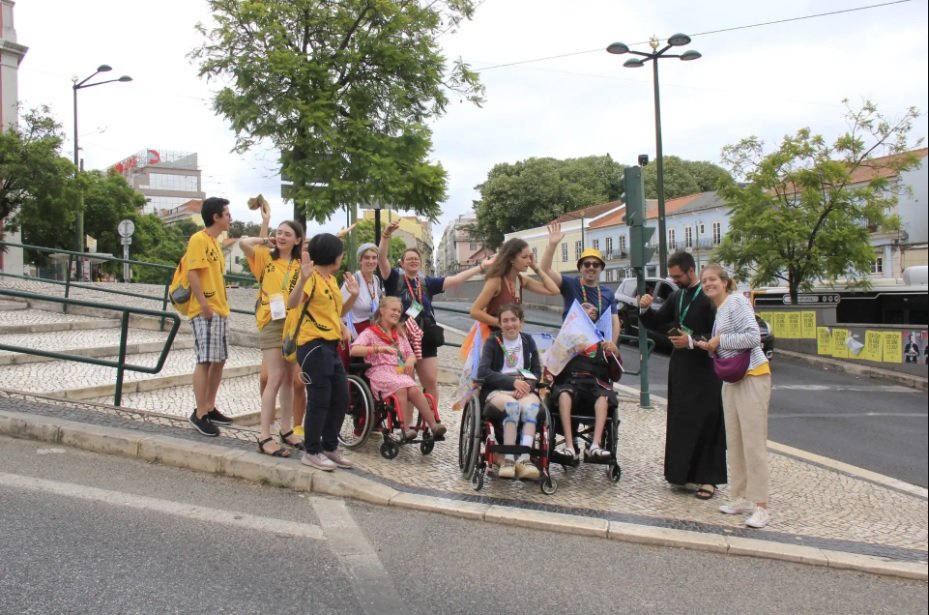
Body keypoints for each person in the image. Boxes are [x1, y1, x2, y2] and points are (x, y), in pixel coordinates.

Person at [639, 251, 726, 499]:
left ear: (691, 271)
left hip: (706, 369)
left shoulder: (710, 299)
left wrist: (692, 340)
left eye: (678, 276)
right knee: (681, 420)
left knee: (708, 421)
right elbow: (657, 323)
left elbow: (719, 335)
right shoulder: (677, 296)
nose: (674, 281)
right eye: (672, 276)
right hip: (681, 368)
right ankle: (682, 473)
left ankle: (709, 480)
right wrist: (644, 310)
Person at [378, 219, 492, 408]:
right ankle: (407, 426)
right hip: (401, 338)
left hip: (426, 337)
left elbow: (455, 279)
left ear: (421, 263)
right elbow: (382, 258)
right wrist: (386, 235)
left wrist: (480, 267)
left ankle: (431, 422)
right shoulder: (393, 280)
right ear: (402, 263)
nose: (413, 261)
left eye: (416, 259)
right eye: (409, 259)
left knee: (430, 382)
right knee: (405, 384)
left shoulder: (427, 283)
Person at [696, 264, 773, 528]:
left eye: (713, 279)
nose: (708, 284)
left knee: (753, 441)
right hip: (731, 379)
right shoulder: (719, 311)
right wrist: (710, 346)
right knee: (736, 440)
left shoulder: (737, 302)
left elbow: (754, 337)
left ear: (726, 282)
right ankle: (740, 497)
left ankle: (761, 505)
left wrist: (720, 341)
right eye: (705, 280)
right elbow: (727, 344)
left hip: (752, 375)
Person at [289, 233, 354, 471]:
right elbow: (292, 303)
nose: (341, 256)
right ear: (332, 255)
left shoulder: (330, 279)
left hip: (330, 344)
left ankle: (329, 446)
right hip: (313, 344)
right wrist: (302, 279)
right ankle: (312, 450)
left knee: (341, 397)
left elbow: (335, 313)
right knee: (320, 398)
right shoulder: (311, 277)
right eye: (340, 252)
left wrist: (353, 296)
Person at [241, 220, 305, 457]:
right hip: (271, 321)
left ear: (298, 240)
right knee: (275, 377)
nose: (282, 237)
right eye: (279, 233)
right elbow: (242, 243)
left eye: (288, 234)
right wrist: (264, 239)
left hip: (293, 323)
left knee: (289, 378)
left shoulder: (300, 265)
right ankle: (264, 435)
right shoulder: (266, 258)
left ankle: (286, 430)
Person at [350, 296, 446, 440]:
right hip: (379, 372)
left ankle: (434, 425)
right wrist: (379, 349)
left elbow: (411, 354)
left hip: (398, 372)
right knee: (401, 388)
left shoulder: (400, 334)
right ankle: (405, 429)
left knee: (414, 389)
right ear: (382, 311)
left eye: (399, 311)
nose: (397, 313)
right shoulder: (370, 332)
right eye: (393, 310)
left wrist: (409, 361)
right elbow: (354, 350)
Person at [186, 197, 235, 437]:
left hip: (220, 309)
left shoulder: (215, 243)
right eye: (226, 214)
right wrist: (204, 305)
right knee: (205, 359)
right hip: (206, 310)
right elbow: (193, 273)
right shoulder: (198, 240)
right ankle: (200, 413)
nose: (230, 218)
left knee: (219, 359)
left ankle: (210, 405)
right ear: (216, 217)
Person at [476, 304, 543, 480]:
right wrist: (512, 382)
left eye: (513, 320)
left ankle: (524, 458)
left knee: (532, 409)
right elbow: (483, 372)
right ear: (499, 324)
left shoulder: (528, 341)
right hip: (499, 389)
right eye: (505, 321)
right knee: (512, 406)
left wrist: (527, 385)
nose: (510, 324)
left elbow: (536, 371)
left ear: (521, 322)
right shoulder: (493, 341)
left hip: (524, 389)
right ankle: (507, 459)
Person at [540, 221, 621, 355]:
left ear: (601, 269)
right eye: (587, 264)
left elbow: (615, 322)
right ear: (580, 268)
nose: (591, 267)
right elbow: (545, 270)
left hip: (597, 352)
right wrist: (552, 245)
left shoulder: (607, 293)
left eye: (595, 265)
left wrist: (612, 344)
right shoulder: (570, 284)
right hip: (570, 350)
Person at [551, 302, 618, 462]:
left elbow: (615, 375)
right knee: (563, 395)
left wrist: (614, 353)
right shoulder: (567, 339)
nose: (593, 309)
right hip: (572, 382)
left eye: (594, 309)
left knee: (603, 397)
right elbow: (553, 367)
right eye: (587, 307)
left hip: (595, 384)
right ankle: (569, 446)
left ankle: (595, 445)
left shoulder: (603, 343)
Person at [469, 237, 559, 328]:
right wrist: (503, 323)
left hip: (512, 338)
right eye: (524, 257)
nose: (529, 261)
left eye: (530, 257)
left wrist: (536, 268)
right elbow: (474, 311)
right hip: (495, 338)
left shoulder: (521, 280)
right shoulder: (496, 281)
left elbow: (554, 291)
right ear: (511, 259)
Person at [342, 242, 383, 340]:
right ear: (360, 260)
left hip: (371, 330)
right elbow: (337, 310)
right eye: (367, 257)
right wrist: (344, 330)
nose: (371, 261)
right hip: (354, 332)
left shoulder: (376, 279)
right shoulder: (353, 280)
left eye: (374, 258)